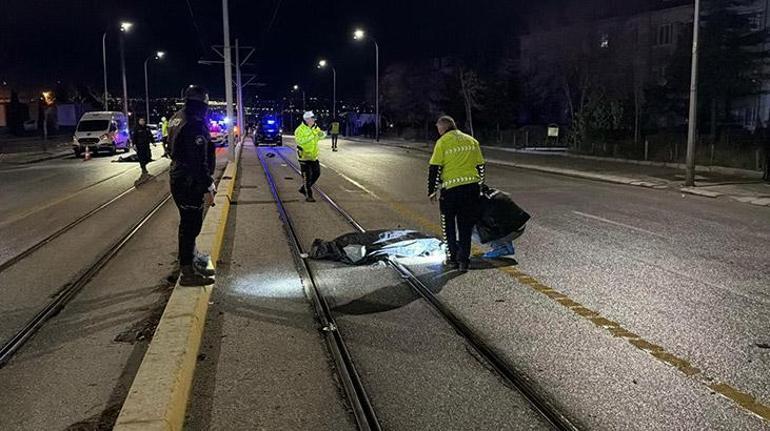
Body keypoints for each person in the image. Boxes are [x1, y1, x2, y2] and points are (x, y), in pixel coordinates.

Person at [167, 86, 217, 286]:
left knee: (187, 223)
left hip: (179, 176)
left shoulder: (177, 117)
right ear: (202, 104)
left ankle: (190, 261)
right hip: (189, 181)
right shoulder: (194, 123)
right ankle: (187, 271)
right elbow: (198, 160)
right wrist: (207, 185)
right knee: (191, 225)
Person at [428, 115, 485, 273]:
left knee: (449, 226)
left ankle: (452, 258)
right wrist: (479, 186)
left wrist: (432, 190)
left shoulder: (442, 142)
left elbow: (435, 168)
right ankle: (464, 261)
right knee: (465, 227)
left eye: (438, 128)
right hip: (471, 190)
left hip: (451, 192)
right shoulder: (471, 141)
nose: (438, 131)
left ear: (444, 127)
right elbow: (480, 166)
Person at [294, 111, 326, 202]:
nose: (314, 120)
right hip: (304, 156)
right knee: (306, 177)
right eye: (312, 118)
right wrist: (312, 135)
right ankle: (309, 195)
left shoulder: (316, 127)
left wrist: (322, 134)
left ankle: (304, 188)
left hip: (313, 157)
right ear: (307, 119)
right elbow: (300, 141)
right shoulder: (299, 130)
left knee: (317, 173)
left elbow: (319, 136)